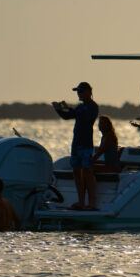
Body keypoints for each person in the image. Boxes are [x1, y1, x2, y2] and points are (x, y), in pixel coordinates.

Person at [52, 81, 99, 210]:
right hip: (76, 144)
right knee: (77, 173)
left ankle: (92, 203)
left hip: (86, 145)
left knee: (87, 172)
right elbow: (68, 116)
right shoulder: (80, 107)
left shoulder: (93, 106)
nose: (79, 94)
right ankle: (81, 202)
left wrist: (69, 108)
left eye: (81, 91)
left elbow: (85, 117)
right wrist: (58, 109)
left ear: (89, 92)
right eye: (78, 92)